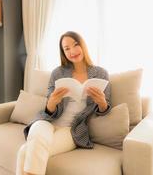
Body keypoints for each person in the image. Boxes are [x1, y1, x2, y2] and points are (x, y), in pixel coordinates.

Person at [16, 31, 112, 175]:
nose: (72, 51)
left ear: (83, 45)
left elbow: (105, 108)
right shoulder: (57, 73)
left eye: (75, 44)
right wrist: (52, 102)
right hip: (47, 122)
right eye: (67, 48)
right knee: (33, 144)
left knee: (25, 151)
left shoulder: (101, 73)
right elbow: (48, 110)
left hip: (71, 129)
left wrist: (102, 102)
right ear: (63, 53)